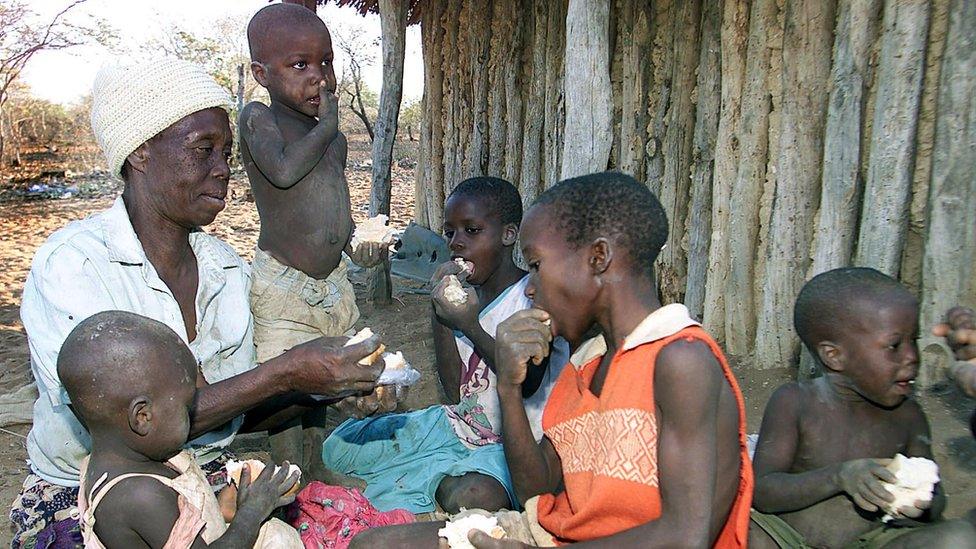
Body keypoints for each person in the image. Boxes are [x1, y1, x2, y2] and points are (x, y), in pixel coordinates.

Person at [11, 57, 382, 549]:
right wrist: (289, 372)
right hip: (95, 502)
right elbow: (132, 418)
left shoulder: (224, 267)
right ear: (140, 153)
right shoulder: (73, 267)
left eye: (228, 153)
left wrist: (327, 389)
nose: (222, 170)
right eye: (203, 149)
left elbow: (238, 405)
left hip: (200, 482)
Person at [351, 172, 752, 548]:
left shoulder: (681, 360)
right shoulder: (586, 365)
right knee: (370, 544)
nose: (530, 289)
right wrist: (508, 385)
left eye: (538, 266)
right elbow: (534, 494)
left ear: (598, 258)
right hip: (550, 534)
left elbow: (686, 536)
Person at [323, 177, 569, 514]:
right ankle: (438, 471)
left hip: (513, 443)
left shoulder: (531, 295)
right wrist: (441, 311)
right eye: (450, 232)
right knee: (337, 448)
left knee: (476, 497)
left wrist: (468, 324)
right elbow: (455, 392)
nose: (456, 243)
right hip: (458, 425)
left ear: (508, 235)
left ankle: (436, 477)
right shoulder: (463, 297)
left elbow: (527, 383)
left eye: (471, 230)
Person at [239, 2, 390, 479]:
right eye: (300, 65)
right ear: (262, 73)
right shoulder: (258, 119)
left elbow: (334, 212)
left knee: (331, 373)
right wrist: (327, 127)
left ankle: (316, 466)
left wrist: (357, 248)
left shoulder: (335, 143)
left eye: (325, 62)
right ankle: (288, 475)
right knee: (290, 385)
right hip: (284, 285)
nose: (318, 77)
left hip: (333, 283)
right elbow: (283, 172)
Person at [749, 268, 976, 548]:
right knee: (746, 528)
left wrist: (923, 502)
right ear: (834, 356)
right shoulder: (794, 401)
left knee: (959, 537)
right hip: (788, 539)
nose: (911, 356)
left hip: (872, 541)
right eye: (894, 345)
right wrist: (840, 476)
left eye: (913, 340)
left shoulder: (908, 416)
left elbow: (937, 496)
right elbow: (764, 490)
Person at [64, 311, 302, 548]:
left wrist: (224, 509)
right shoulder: (140, 496)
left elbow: (180, 523)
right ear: (143, 417)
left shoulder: (134, 456)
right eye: (187, 406)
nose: (194, 412)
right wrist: (250, 515)